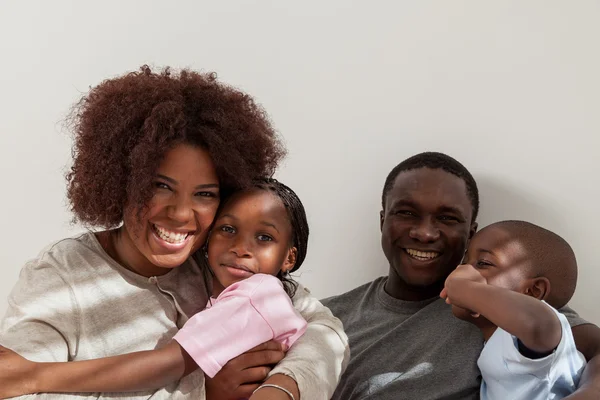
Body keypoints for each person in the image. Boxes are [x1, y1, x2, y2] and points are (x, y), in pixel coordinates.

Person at [0, 66, 348, 400]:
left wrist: (284, 384)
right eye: (160, 186)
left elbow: (325, 330)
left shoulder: (223, 263)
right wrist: (200, 394)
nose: (182, 214)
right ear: (121, 180)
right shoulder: (61, 276)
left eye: (204, 194)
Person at [0, 179, 327, 400]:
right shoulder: (60, 271)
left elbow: (164, 364)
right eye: (227, 229)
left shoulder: (256, 297)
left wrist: (37, 375)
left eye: (264, 237)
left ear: (289, 257)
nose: (242, 248)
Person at [323, 151, 600, 399]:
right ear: (383, 221)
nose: (425, 233)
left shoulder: (505, 305)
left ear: (470, 233)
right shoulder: (326, 316)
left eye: (447, 218)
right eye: (407, 212)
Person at [441, 220, 586, 399]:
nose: (462, 270)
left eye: (483, 263)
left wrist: (465, 289)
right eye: (465, 260)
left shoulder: (527, 335)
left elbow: (538, 324)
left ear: (532, 292)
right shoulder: (499, 340)